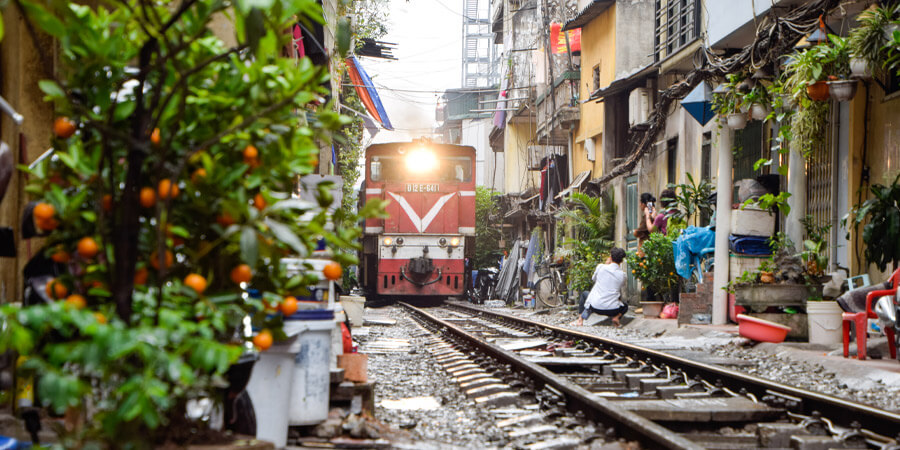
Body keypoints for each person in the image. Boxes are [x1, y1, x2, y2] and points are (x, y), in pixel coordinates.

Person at [573, 247, 627, 327]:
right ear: (622, 261)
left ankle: (580, 320)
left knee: (585, 294)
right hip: (612, 310)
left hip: (595, 307)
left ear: (610, 257)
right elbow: (621, 285)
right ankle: (616, 318)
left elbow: (594, 279)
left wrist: (606, 264)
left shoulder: (601, 267)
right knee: (625, 306)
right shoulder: (623, 275)